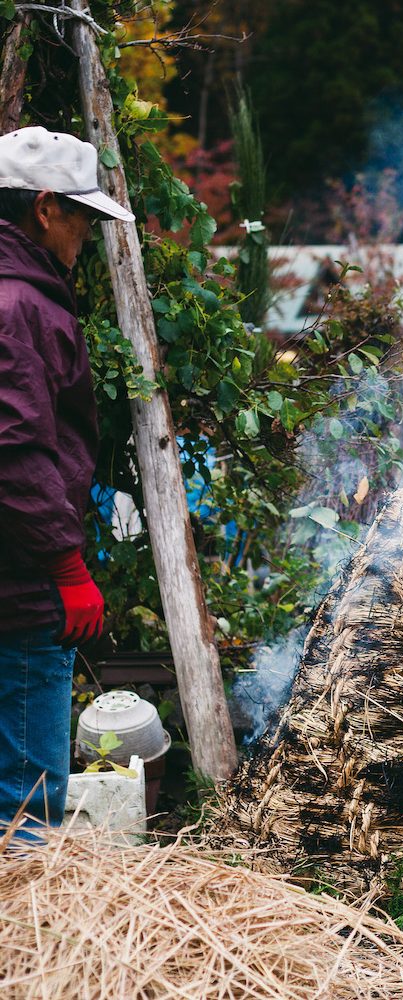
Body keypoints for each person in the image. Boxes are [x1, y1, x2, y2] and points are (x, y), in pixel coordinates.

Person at [0, 126, 134, 838]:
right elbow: (15, 453)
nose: (87, 230)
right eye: (81, 214)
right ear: (45, 207)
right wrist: (65, 565)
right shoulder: (16, 307)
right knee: (24, 813)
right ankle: (34, 948)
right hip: (19, 588)